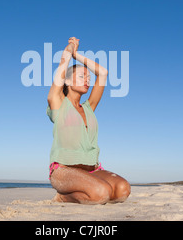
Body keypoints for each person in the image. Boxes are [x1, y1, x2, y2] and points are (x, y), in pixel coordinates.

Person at [46, 37, 131, 205]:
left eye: (88, 77)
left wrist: (78, 55)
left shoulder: (89, 108)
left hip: (91, 171)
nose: (87, 80)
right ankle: (63, 196)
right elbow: (63, 66)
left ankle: (91, 189)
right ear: (68, 81)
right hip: (64, 171)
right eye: (81, 76)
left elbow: (103, 73)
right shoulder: (58, 103)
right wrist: (70, 49)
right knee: (100, 194)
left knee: (122, 190)